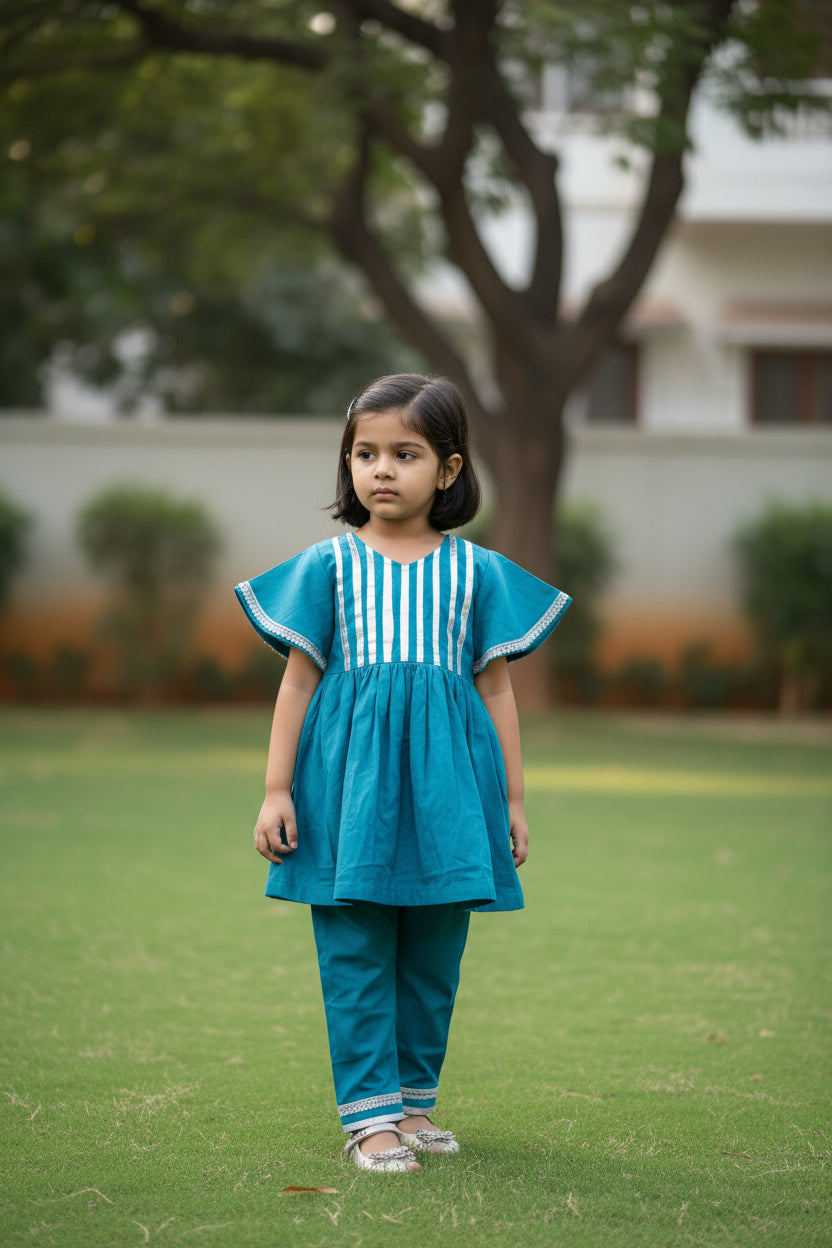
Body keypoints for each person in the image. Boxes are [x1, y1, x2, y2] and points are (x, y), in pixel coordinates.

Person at [235, 374, 571, 1174]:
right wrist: (277, 789)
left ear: (450, 471)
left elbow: (496, 687)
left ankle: (414, 1104)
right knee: (354, 951)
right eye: (364, 452)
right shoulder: (328, 566)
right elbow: (297, 682)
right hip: (347, 798)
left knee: (432, 958)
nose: (381, 469)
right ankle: (370, 1119)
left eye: (405, 453)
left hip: (450, 797)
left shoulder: (476, 573)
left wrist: (514, 801)